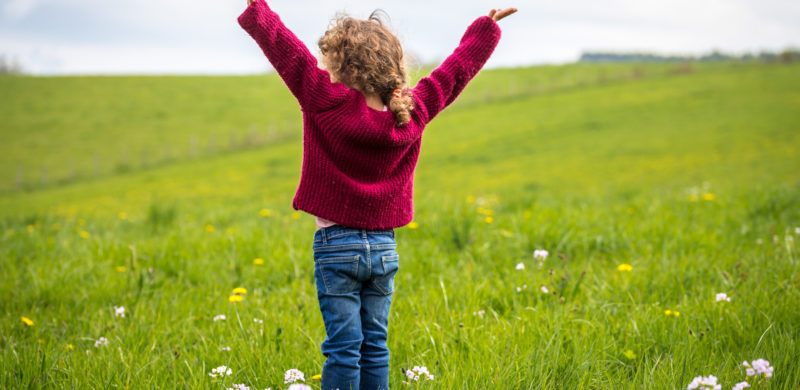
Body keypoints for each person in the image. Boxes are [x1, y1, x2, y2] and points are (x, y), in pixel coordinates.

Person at [237, 1, 516, 388]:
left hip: (336, 246)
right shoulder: (412, 112)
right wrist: (483, 32)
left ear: (340, 67)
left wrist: (260, 10)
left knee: (343, 348)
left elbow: (287, 51)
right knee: (375, 346)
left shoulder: (325, 100)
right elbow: (452, 75)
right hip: (385, 250)